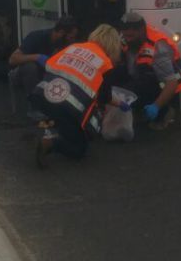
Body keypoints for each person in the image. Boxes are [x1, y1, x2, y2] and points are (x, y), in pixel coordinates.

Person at [30, 24, 124, 168]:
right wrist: (122, 104)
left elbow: (50, 66)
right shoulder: (105, 63)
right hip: (67, 106)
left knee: (68, 121)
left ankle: (61, 130)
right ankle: (49, 143)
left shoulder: (74, 47)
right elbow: (104, 97)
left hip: (43, 95)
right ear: (113, 45)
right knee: (79, 149)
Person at [118, 11, 181, 131]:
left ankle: (164, 111)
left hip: (167, 83)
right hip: (144, 74)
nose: (127, 37)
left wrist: (156, 106)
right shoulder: (126, 38)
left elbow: (171, 83)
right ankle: (136, 107)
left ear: (141, 30)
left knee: (141, 83)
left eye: (131, 33)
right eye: (124, 32)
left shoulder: (158, 47)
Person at [8, 16, 79, 119]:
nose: (72, 40)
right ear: (61, 33)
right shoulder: (36, 37)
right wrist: (37, 57)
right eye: (70, 37)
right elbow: (13, 59)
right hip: (23, 74)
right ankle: (34, 108)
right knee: (30, 67)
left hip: (47, 75)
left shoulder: (64, 44)